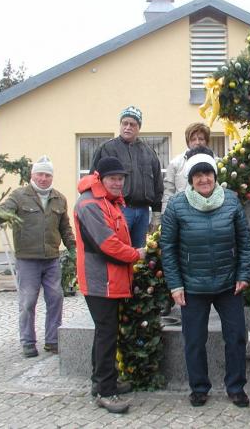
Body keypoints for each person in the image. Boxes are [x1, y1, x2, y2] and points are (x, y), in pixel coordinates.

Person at [160, 146, 250, 409]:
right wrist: (175, 284)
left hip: (228, 284)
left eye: (208, 174)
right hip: (192, 286)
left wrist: (244, 274)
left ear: (215, 176)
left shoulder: (232, 200)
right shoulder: (177, 206)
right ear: (190, 179)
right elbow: (167, 248)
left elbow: (245, 241)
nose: (204, 179)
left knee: (236, 337)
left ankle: (236, 387)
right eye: (198, 175)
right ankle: (199, 387)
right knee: (194, 340)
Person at [74, 157, 147, 414]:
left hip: (109, 279)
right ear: (100, 178)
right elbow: (107, 244)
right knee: (106, 332)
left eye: (121, 178)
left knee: (105, 330)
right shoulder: (89, 204)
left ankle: (101, 381)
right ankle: (106, 391)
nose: (118, 183)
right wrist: (137, 255)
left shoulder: (109, 201)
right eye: (113, 178)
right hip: (99, 280)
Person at [0, 155, 75, 358]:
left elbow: (65, 227)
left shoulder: (59, 198)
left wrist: (73, 248)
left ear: (52, 177)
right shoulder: (19, 195)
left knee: (56, 298)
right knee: (28, 301)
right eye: (40, 174)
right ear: (32, 175)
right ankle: (28, 341)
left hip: (51, 258)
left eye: (47, 175)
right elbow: (4, 212)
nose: (43, 178)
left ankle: (52, 340)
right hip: (27, 259)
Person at [90, 105, 163, 248]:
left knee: (139, 256)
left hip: (143, 212)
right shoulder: (107, 149)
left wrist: (156, 215)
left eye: (132, 124)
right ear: (120, 125)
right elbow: (93, 179)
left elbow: (157, 184)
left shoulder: (149, 152)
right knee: (118, 250)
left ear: (138, 128)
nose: (128, 127)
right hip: (118, 210)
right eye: (125, 123)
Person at [162, 122, 211, 211]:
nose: (197, 142)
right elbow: (168, 192)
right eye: (193, 139)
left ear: (206, 141)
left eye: (201, 139)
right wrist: (165, 215)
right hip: (182, 213)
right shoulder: (175, 163)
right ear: (188, 142)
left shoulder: (217, 162)